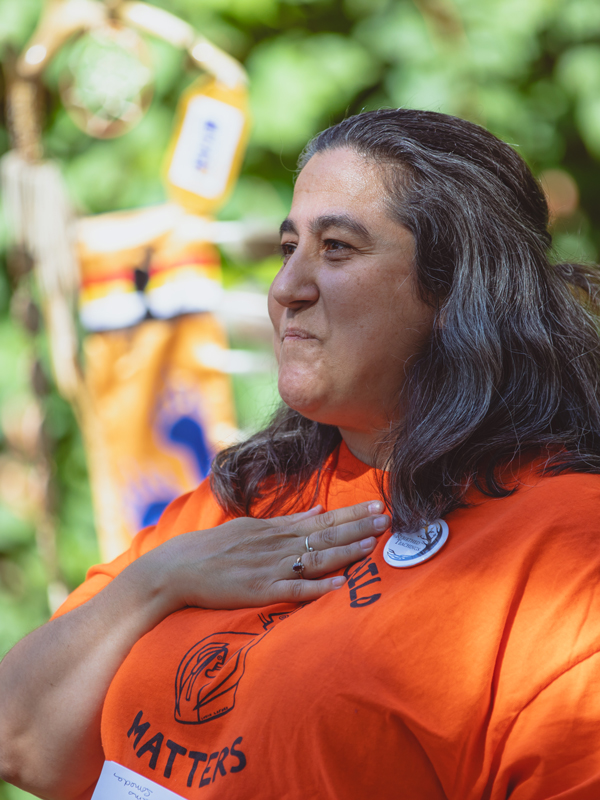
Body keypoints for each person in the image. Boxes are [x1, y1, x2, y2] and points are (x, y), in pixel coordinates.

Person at [2, 108, 600, 800]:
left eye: (338, 247)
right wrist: (160, 579)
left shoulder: (566, 544)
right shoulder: (256, 489)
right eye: (289, 248)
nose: (286, 288)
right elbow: (25, 742)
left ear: (459, 288)